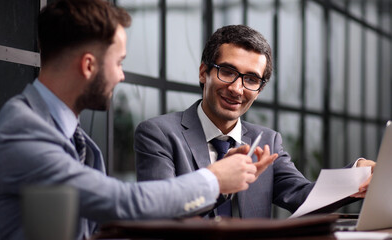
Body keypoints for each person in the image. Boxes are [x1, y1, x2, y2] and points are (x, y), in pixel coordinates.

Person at [0, 2, 275, 240]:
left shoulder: (58, 130)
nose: (122, 75)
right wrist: (215, 179)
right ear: (89, 66)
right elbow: (120, 202)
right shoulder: (24, 132)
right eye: (118, 62)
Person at [135, 25, 375, 218]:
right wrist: (219, 183)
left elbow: (303, 197)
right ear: (203, 72)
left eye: (251, 79)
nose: (237, 89)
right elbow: (159, 211)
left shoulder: (268, 141)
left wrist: (356, 175)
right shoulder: (159, 133)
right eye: (227, 72)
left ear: (259, 89)